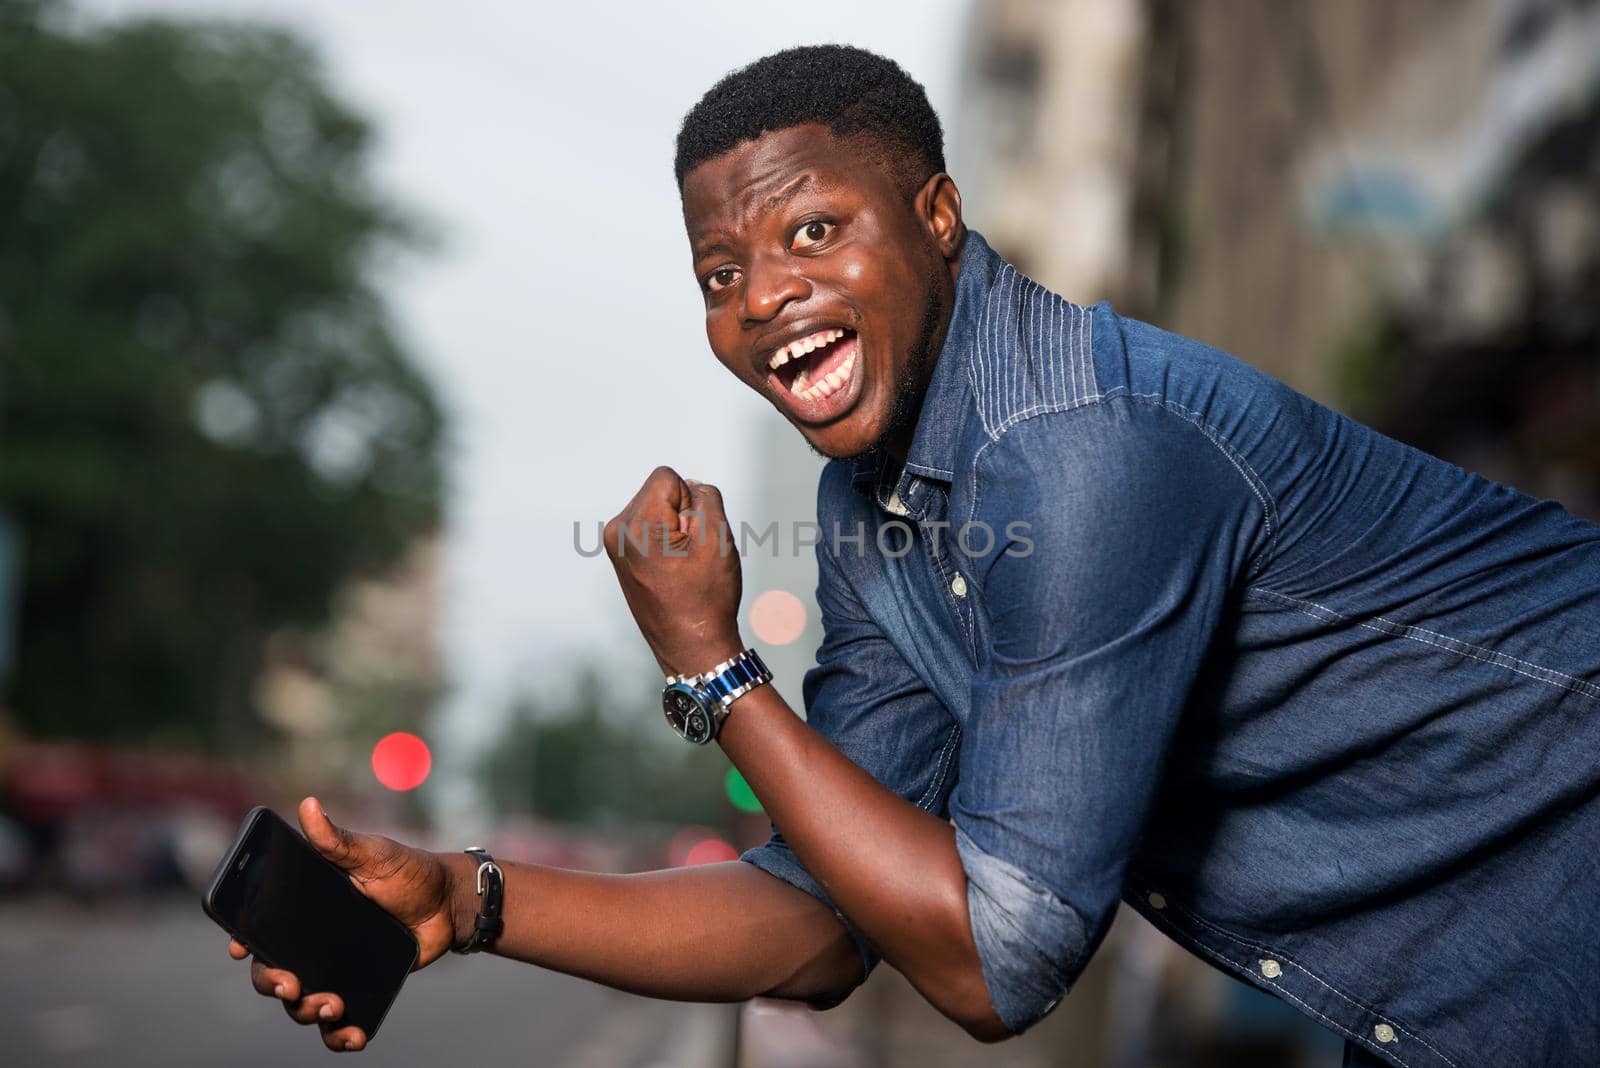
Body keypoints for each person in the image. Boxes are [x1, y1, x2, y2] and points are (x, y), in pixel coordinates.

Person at [228, 45, 1600, 1067]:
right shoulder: (872, 510)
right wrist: (469, 900)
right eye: (720, 271)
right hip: (1466, 1002)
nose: (765, 298)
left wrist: (711, 664)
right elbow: (825, 923)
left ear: (939, 216)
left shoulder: (1081, 454)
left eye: (814, 230)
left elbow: (997, 965)